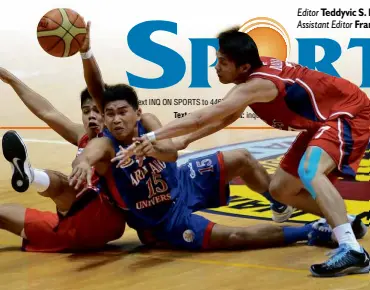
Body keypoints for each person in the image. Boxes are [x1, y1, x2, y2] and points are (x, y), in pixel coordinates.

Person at [117, 27, 370, 277]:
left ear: (244, 67)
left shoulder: (258, 85)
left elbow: (204, 116)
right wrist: (184, 141)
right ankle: (346, 222)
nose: (216, 67)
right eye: (218, 59)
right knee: (280, 190)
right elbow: (227, 116)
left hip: (349, 115)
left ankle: (352, 249)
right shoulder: (249, 81)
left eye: (223, 62)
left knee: (309, 171)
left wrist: (151, 136)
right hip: (322, 122)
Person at [68, 81, 338, 253]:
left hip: (182, 181)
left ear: (136, 113)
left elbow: (172, 152)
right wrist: (81, 162)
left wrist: (153, 147)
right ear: (104, 118)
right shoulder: (106, 145)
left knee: (242, 157)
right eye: (110, 114)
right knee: (233, 236)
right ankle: (311, 231)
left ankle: (277, 201)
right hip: (163, 222)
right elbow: (89, 154)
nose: (116, 119)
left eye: (122, 112)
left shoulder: (147, 122)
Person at [0, 62, 126, 251]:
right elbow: (47, 112)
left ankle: (30, 175)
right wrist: (10, 79)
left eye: (97, 111)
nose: (91, 116)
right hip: (73, 220)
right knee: (2, 214)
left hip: (105, 216)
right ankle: (30, 176)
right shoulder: (81, 136)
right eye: (86, 111)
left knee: (68, 183)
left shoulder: (114, 141)